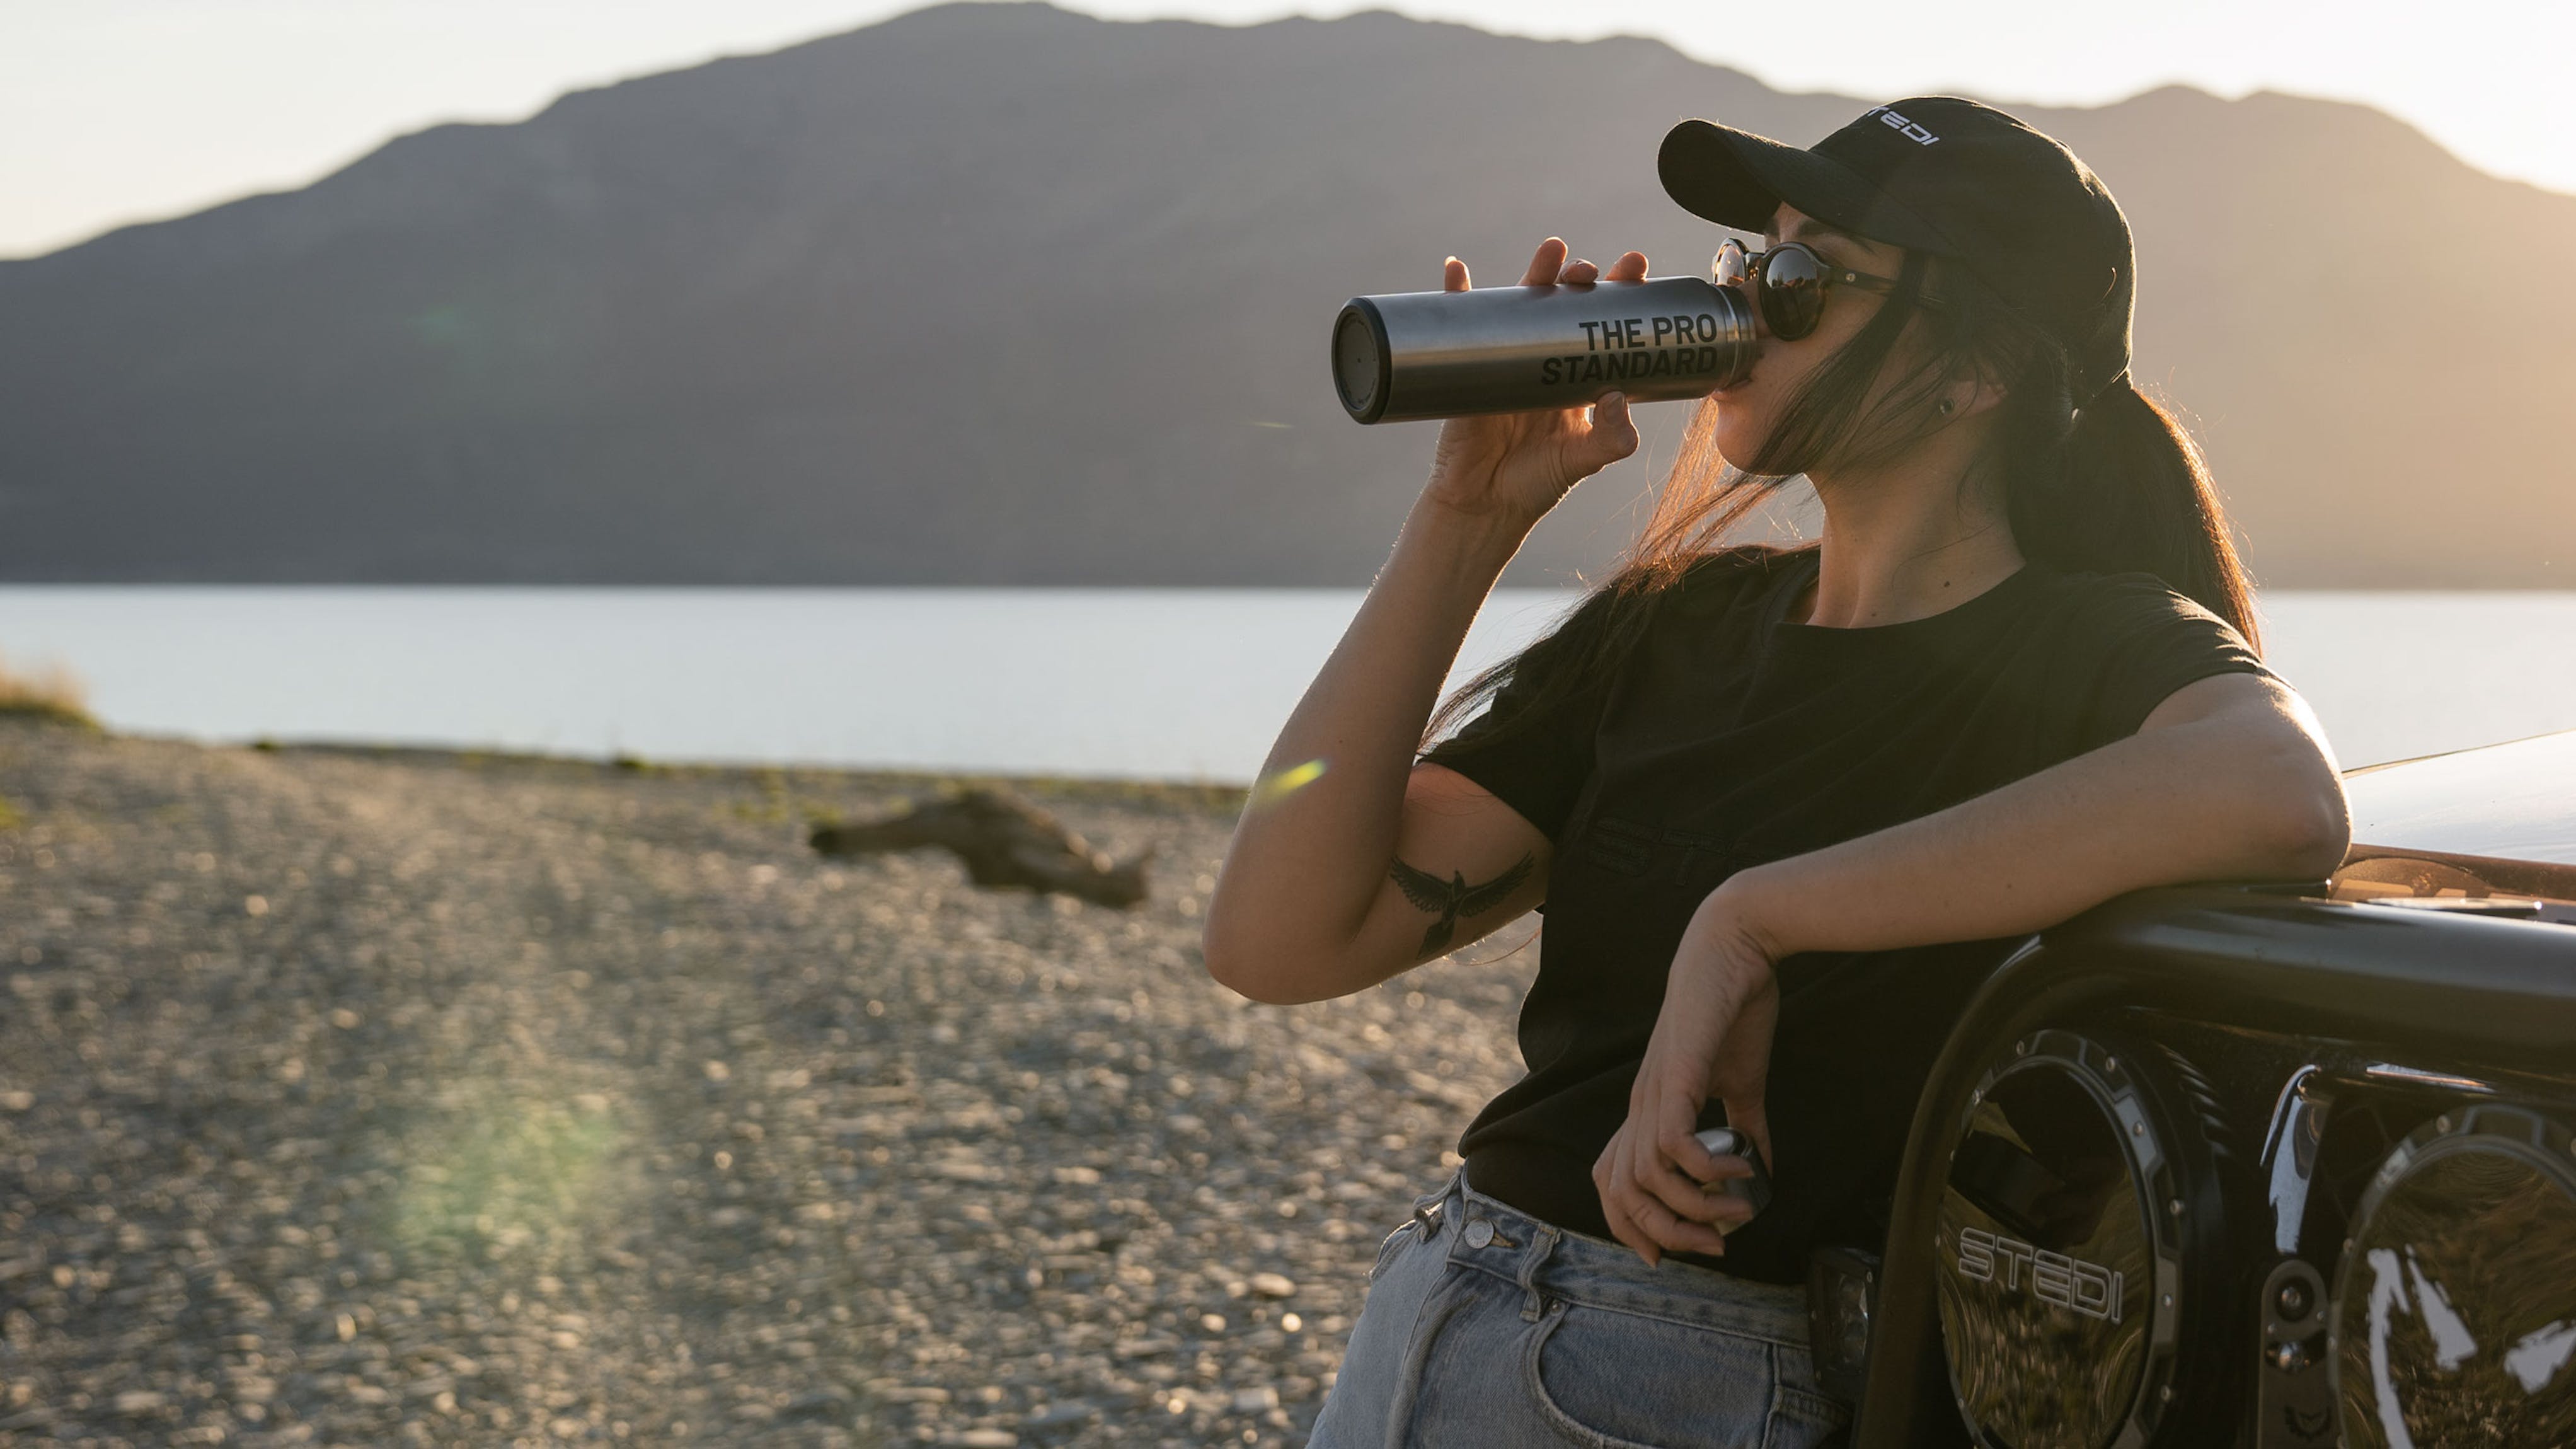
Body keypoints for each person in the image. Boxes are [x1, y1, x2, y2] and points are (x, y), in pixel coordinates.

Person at [1202, 97, 2350, 1446]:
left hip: (1687, 1379)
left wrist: (1757, 918)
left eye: (1803, 280)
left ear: (1976, 370)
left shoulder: (2081, 645)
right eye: (1751, 261)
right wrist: (1464, 525)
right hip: (1441, 1315)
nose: (1741, 301)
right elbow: (1278, 936)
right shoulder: (1677, 625)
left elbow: (2280, 791)